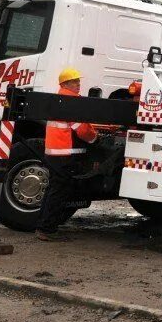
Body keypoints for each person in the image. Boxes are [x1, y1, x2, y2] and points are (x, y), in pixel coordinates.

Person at [35, 67, 98, 241]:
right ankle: (46, 229)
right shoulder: (72, 102)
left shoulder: (59, 99)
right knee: (59, 191)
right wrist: (95, 139)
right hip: (64, 154)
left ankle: (43, 225)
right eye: (74, 81)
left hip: (54, 153)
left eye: (78, 81)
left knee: (53, 189)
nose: (79, 84)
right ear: (65, 84)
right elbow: (82, 129)